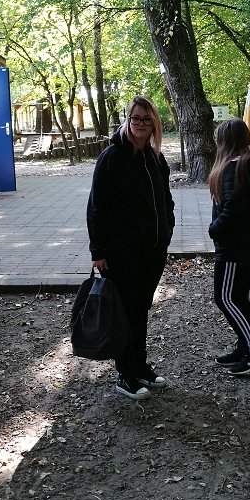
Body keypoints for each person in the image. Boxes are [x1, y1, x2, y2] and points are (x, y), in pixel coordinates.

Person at [86, 95, 176, 400]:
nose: (139, 123)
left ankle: (140, 366)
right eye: (135, 118)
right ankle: (125, 373)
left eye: (146, 119)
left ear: (155, 124)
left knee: (140, 310)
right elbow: (97, 207)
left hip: (153, 251)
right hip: (121, 253)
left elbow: (166, 200)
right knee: (124, 312)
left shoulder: (156, 158)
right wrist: (98, 251)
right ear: (128, 120)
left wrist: (167, 231)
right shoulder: (112, 157)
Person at [207, 118, 250, 376]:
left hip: (236, 246)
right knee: (239, 297)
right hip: (249, 242)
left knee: (224, 298)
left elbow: (233, 210)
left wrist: (214, 229)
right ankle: (244, 347)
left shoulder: (235, 167)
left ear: (225, 142)